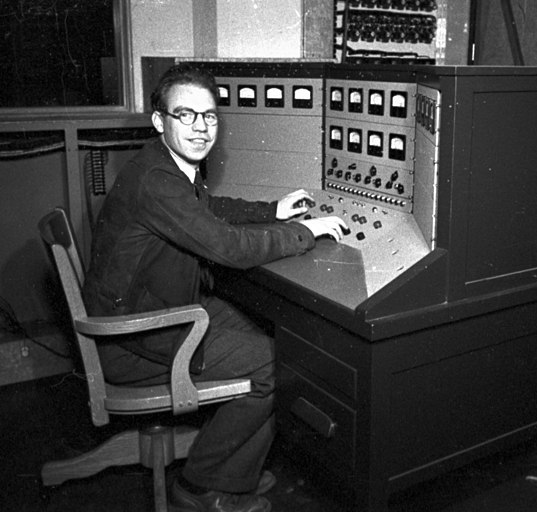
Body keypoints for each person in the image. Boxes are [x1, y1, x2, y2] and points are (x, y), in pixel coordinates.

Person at [82, 62, 348, 512]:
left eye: (209, 116)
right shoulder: (157, 182)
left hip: (152, 310)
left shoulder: (166, 165)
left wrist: (273, 210)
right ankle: (203, 486)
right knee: (272, 362)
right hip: (131, 339)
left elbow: (209, 208)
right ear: (159, 121)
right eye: (185, 115)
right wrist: (307, 231)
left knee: (264, 339)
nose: (201, 127)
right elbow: (228, 247)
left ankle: (232, 473)